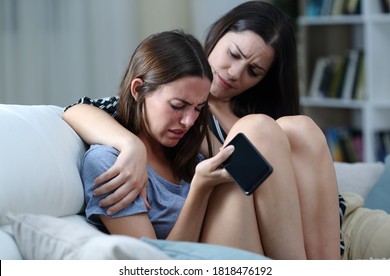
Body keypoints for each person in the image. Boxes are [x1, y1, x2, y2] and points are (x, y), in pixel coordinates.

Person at [64, 1, 341, 259]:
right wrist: (132, 146)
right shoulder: (113, 154)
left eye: (253, 71)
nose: (234, 73)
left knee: (297, 126)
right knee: (255, 130)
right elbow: (78, 109)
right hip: (208, 250)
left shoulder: (191, 139)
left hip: (272, 234)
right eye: (233, 54)